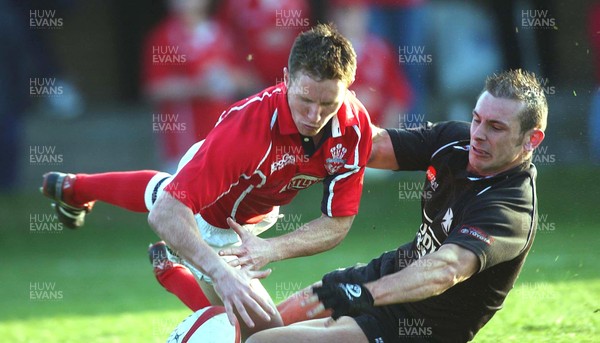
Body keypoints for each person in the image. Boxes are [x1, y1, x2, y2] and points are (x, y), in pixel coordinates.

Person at [40, 23, 372, 338]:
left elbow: (338, 223)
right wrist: (220, 271)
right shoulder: (245, 133)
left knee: (162, 192)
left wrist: (271, 248)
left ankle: (74, 189)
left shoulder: (354, 126)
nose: (314, 116)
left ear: (348, 91)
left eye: (328, 104)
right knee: (265, 332)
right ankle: (174, 272)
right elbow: (166, 214)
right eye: (305, 99)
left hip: (251, 213)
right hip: (212, 218)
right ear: (286, 79)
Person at [247, 69, 548, 342]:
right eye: (477, 119)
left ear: (531, 140)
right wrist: (326, 107)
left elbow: (445, 270)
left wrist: (364, 295)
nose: (479, 134)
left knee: (264, 342)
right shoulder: (456, 142)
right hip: (382, 277)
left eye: (496, 127)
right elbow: (372, 146)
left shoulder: (511, 207)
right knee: (257, 327)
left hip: (417, 325)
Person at [142, 0, 256, 171]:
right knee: (180, 194)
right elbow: (154, 88)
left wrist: (226, 77)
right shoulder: (164, 36)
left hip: (222, 137)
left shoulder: (223, 34)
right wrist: (199, 86)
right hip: (182, 142)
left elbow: (250, 79)